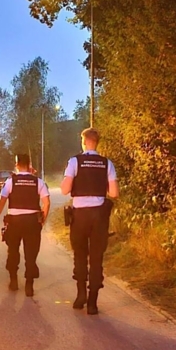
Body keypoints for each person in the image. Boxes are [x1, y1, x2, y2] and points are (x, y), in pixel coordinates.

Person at [60, 127, 119, 315]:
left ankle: (80, 295)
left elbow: (64, 189)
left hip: (80, 215)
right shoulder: (106, 163)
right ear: (97, 143)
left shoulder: (74, 161)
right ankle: (93, 303)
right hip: (99, 216)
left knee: (79, 254)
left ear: (84, 142)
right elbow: (114, 193)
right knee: (96, 258)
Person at [0, 154, 50, 297]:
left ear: (16, 165)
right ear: (29, 164)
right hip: (32, 222)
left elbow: (1, 202)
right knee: (31, 254)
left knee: (13, 251)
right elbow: (46, 202)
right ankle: (29, 285)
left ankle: (13, 281)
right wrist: (42, 219)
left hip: (14, 222)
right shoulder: (38, 182)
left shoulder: (11, 181)